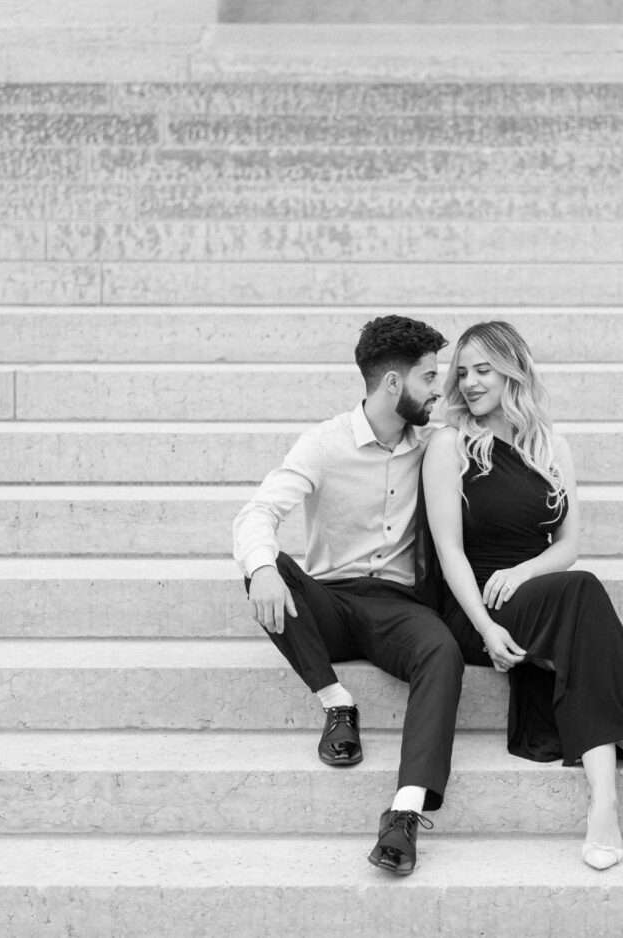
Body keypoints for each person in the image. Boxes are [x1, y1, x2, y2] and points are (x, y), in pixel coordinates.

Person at [421, 320, 623, 872]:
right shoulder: (449, 443)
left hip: (532, 590)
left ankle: (606, 802)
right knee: (582, 596)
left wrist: (522, 573)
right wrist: (488, 626)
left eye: (483, 370)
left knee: (578, 598)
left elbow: (567, 545)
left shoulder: (550, 445)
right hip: (474, 605)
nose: (469, 382)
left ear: (513, 371)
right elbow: (449, 552)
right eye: (462, 372)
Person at [232, 314, 458, 877]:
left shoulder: (433, 440)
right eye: (429, 378)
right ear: (391, 384)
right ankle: (337, 702)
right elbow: (259, 512)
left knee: (442, 650)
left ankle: (404, 812)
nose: (438, 390)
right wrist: (261, 568)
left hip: (398, 608)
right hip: (329, 600)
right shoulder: (325, 442)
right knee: (266, 565)